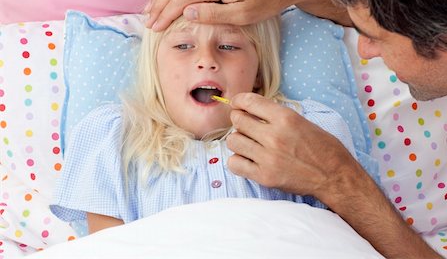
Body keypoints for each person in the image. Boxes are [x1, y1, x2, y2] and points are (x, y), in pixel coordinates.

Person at [144, 0, 447, 258]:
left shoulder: (318, 122)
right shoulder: (118, 140)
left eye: (377, 37)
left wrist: (339, 179)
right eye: (184, 46)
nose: (364, 51)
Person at [50, 14, 357, 235]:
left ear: (259, 74)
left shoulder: (299, 130)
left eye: (229, 46)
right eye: (183, 46)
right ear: (155, 70)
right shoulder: (115, 139)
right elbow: (106, 250)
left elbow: (339, 238)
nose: (206, 60)